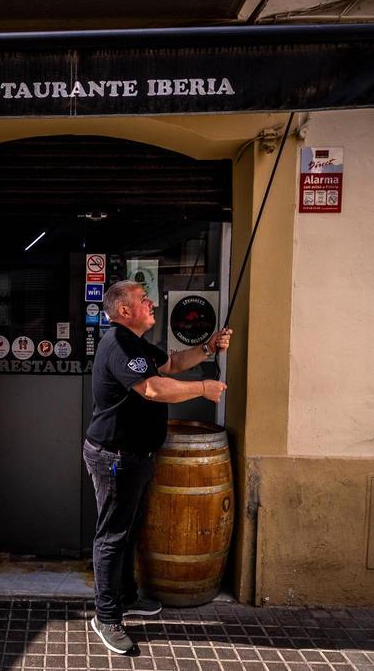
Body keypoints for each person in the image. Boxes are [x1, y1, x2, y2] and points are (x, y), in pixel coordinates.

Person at [84, 279, 232, 654]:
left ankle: (127, 596)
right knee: (112, 536)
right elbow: (152, 388)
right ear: (123, 311)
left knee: (129, 531)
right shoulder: (118, 343)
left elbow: (173, 364)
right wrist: (203, 388)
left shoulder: (136, 343)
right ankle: (106, 617)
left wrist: (207, 347)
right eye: (143, 299)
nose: (151, 304)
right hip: (115, 456)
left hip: (136, 456)